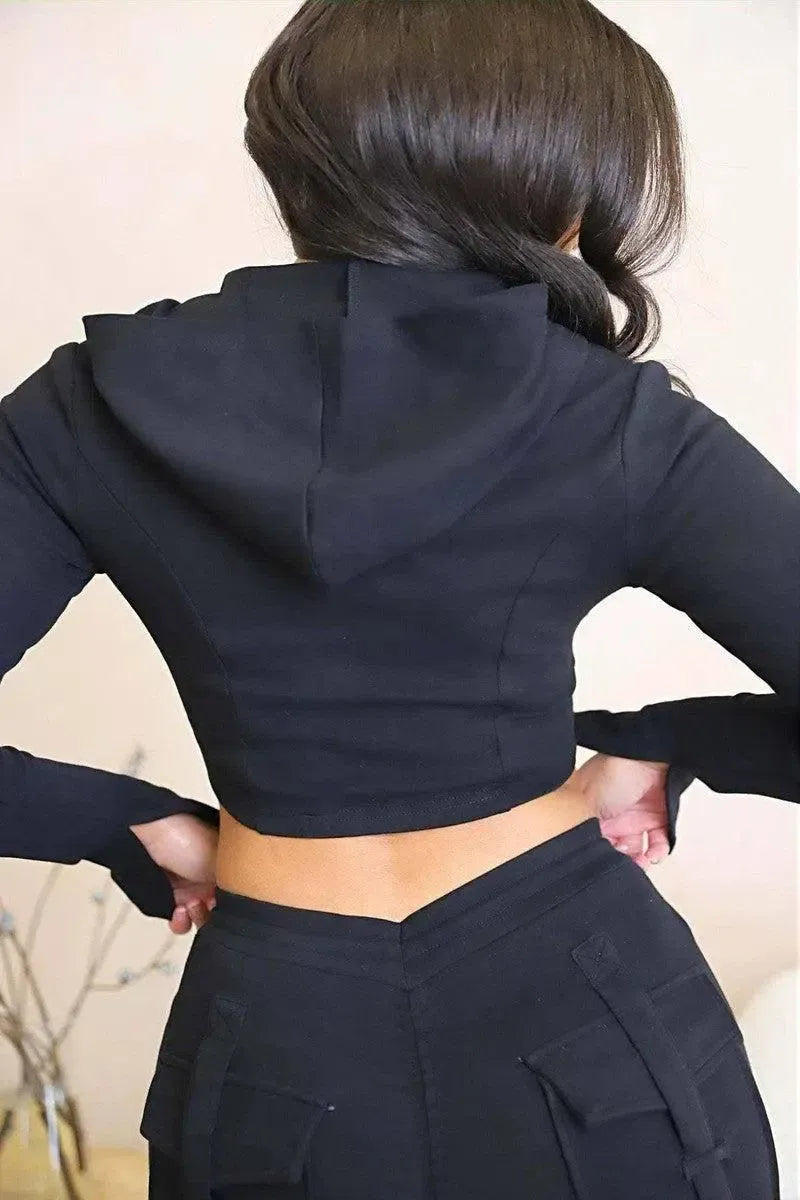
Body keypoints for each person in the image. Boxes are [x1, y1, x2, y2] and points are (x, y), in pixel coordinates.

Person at [1, 2, 796, 1196]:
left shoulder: (85, 408)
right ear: (561, 184)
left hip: (272, 1047)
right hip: (589, 1022)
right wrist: (672, 743)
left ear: (297, 166)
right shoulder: (612, 419)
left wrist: (118, 819)